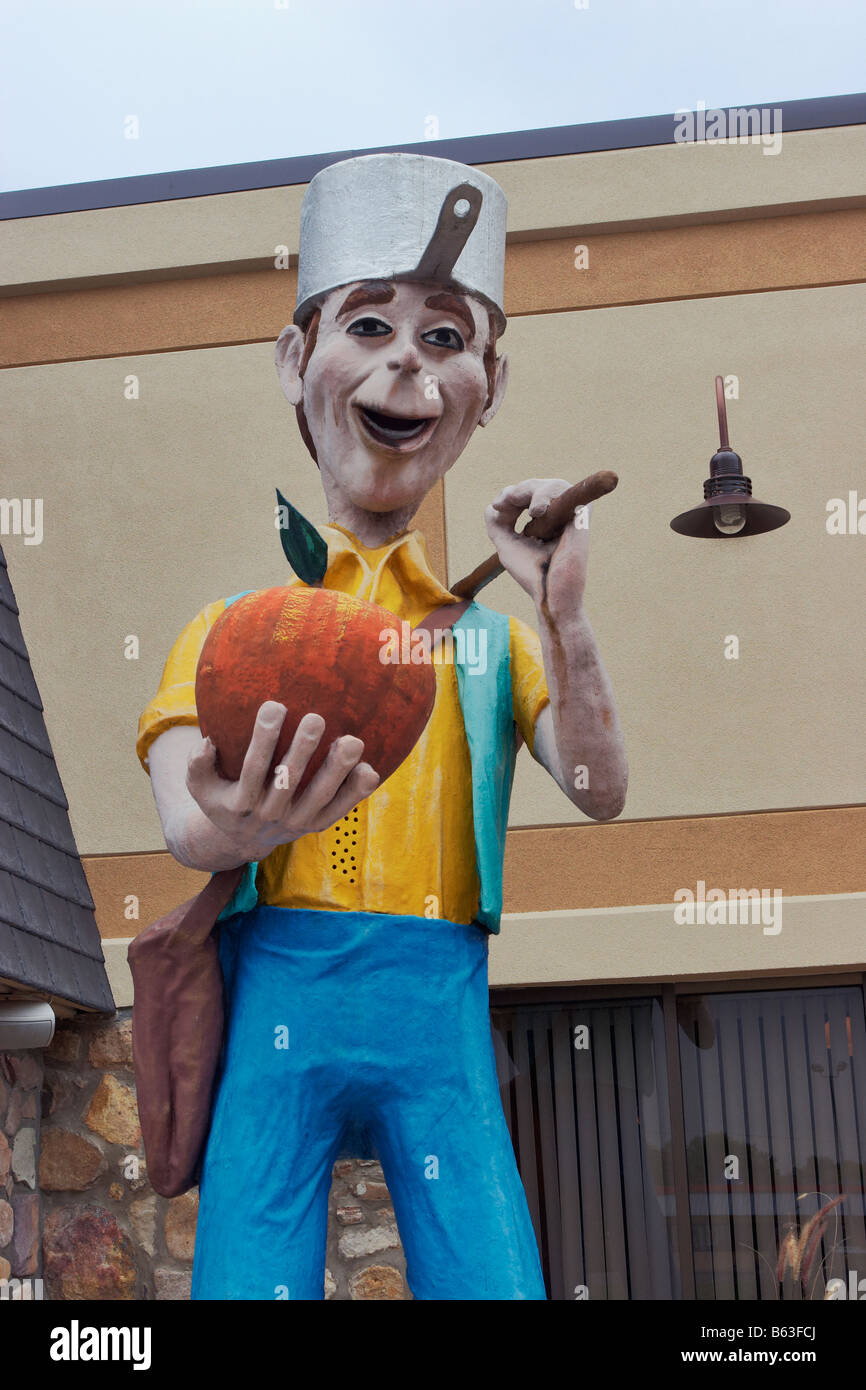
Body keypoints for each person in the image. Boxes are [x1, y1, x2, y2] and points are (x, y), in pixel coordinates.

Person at [136, 153, 627, 1300]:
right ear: (296, 358)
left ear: (485, 390)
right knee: (247, 1279)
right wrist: (235, 821)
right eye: (369, 324)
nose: (407, 361)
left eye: (446, 338)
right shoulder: (230, 633)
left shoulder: (492, 644)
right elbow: (182, 820)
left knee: (489, 1278)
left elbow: (601, 787)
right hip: (279, 1004)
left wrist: (564, 619)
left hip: (438, 1008)